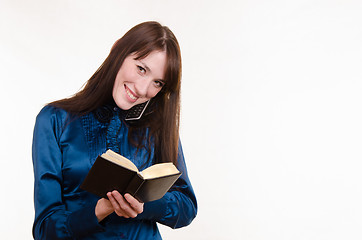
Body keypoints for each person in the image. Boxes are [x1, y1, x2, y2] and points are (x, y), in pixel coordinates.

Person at [32, 21, 197, 239]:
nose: (142, 89)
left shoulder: (156, 126)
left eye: (157, 83)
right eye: (141, 69)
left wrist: (144, 204)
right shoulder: (55, 119)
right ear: (117, 49)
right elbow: (45, 229)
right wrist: (99, 210)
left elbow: (187, 207)